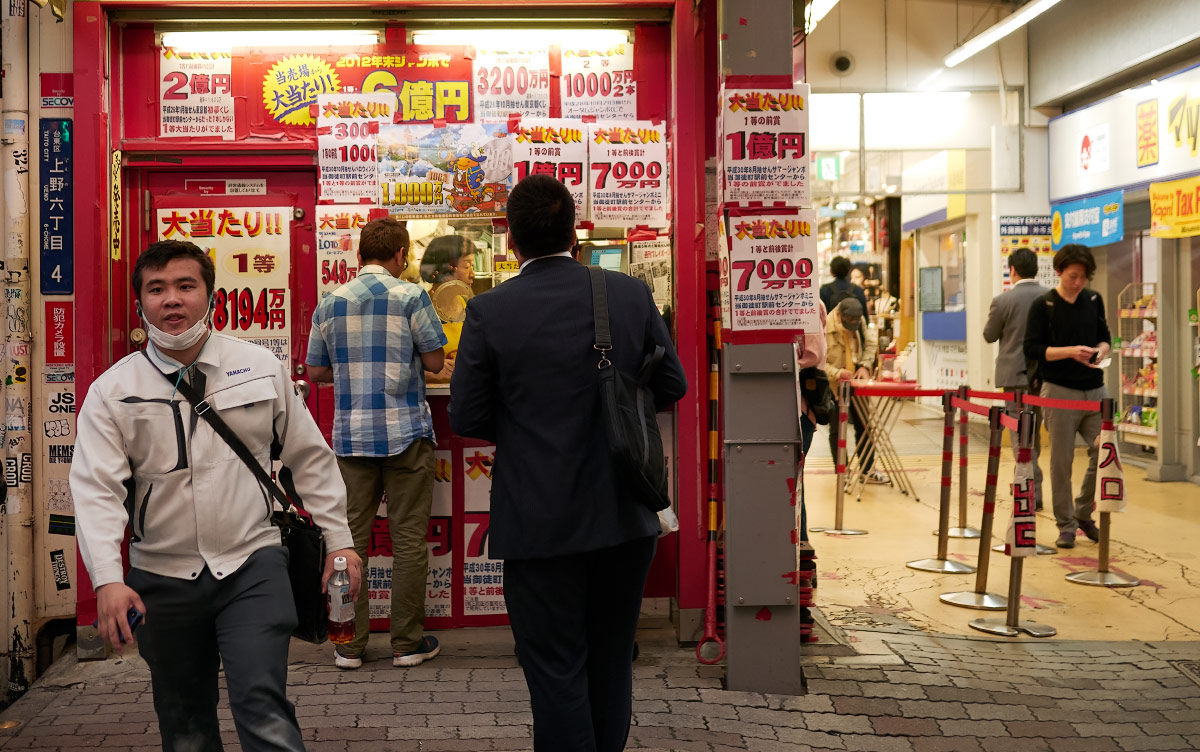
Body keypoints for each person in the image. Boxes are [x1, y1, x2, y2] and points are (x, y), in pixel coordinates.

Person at [72, 239, 362, 752]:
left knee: (263, 704)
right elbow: (96, 492)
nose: (172, 300)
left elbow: (310, 457)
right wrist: (109, 581)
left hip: (252, 564)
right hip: (161, 578)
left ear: (210, 294)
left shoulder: (258, 367)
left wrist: (340, 541)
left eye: (186, 285)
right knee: (184, 723)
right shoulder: (111, 392)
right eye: (156, 289)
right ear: (140, 303)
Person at [449, 174, 687, 752]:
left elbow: (466, 415)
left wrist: (530, 421)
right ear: (575, 232)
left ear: (509, 241)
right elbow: (673, 385)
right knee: (611, 658)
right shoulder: (629, 294)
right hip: (626, 512)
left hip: (538, 519)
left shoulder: (489, 311)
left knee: (555, 668)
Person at [306, 216, 448, 669]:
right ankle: (407, 643)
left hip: (350, 440)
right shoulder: (412, 295)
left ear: (359, 255)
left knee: (348, 544)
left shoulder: (330, 302)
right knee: (408, 541)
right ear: (401, 256)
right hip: (406, 434)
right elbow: (434, 359)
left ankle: (349, 644)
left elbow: (315, 371)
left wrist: (350, 368)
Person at [1023, 244, 1111, 549]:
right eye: (1073, 276)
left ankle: (1083, 512)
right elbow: (1033, 350)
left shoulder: (1094, 299)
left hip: (1095, 390)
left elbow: (1106, 338)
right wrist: (1071, 352)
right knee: (1061, 462)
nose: (1078, 283)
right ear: (1059, 272)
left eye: (1084, 277)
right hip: (1058, 391)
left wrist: (1100, 351)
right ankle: (1066, 525)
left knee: (1105, 451)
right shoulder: (1043, 305)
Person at [983, 247, 1048, 510]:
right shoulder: (1049, 297)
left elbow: (989, 335)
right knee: (1034, 436)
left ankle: (1029, 491)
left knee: (1020, 437)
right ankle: (1035, 489)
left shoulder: (1003, 301)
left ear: (1012, 270)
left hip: (1013, 379)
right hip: (1042, 377)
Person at [824, 297, 887, 484]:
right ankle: (841, 471)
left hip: (856, 383)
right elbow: (818, 362)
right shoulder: (824, 325)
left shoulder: (859, 322)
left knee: (864, 426)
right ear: (838, 315)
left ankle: (867, 470)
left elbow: (870, 344)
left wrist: (865, 366)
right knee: (836, 429)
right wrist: (837, 373)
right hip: (834, 386)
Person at [419, 234, 476, 383]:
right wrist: (431, 373)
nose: (472, 274)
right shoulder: (421, 307)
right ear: (445, 270)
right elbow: (403, 366)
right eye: (466, 266)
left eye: (473, 266)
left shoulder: (469, 307)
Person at [819, 255, 870, 325]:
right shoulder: (858, 290)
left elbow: (821, 318)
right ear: (849, 270)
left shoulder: (824, 290)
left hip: (832, 332)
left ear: (831, 271)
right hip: (853, 333)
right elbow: (865, 318)